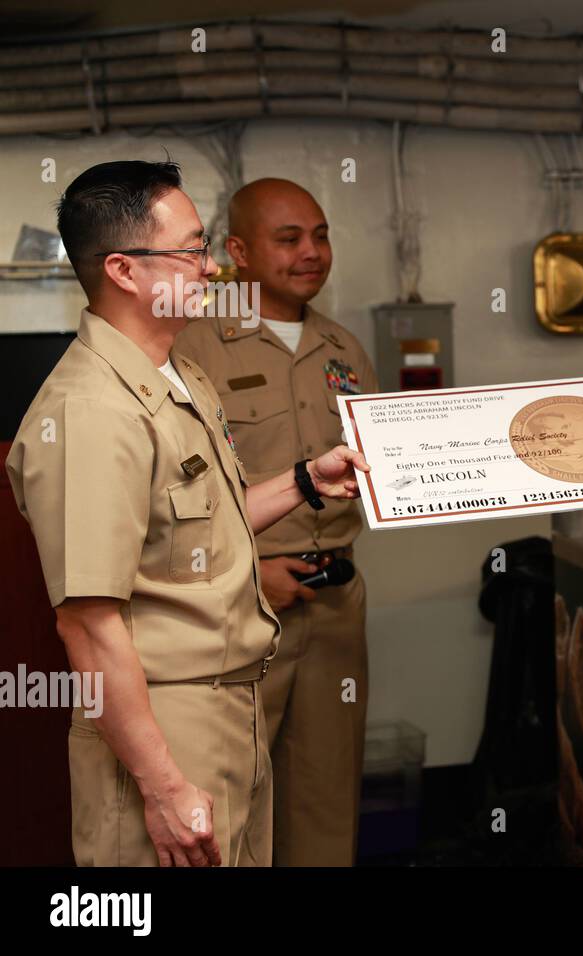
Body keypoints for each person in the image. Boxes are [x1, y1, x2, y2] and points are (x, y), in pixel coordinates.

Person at [5, 160, 369, 867]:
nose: (210, 269)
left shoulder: (178, 375)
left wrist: (305, 479)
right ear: (124, 270)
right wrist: (164, 784)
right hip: (165, 724)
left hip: (231, 707)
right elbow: (88, 621)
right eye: (192, 250)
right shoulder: (91, 410)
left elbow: (208, 522)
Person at [175, 178, 376, 866]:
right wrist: (247, 569)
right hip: (240, 604)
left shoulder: (344, 348)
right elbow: (173, 491)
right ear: (237, 251)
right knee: (231, 798)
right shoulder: (192, 346)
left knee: (326, 796)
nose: (312, 252)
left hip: (336, 603)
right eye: (288, 238)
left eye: (320, 235)